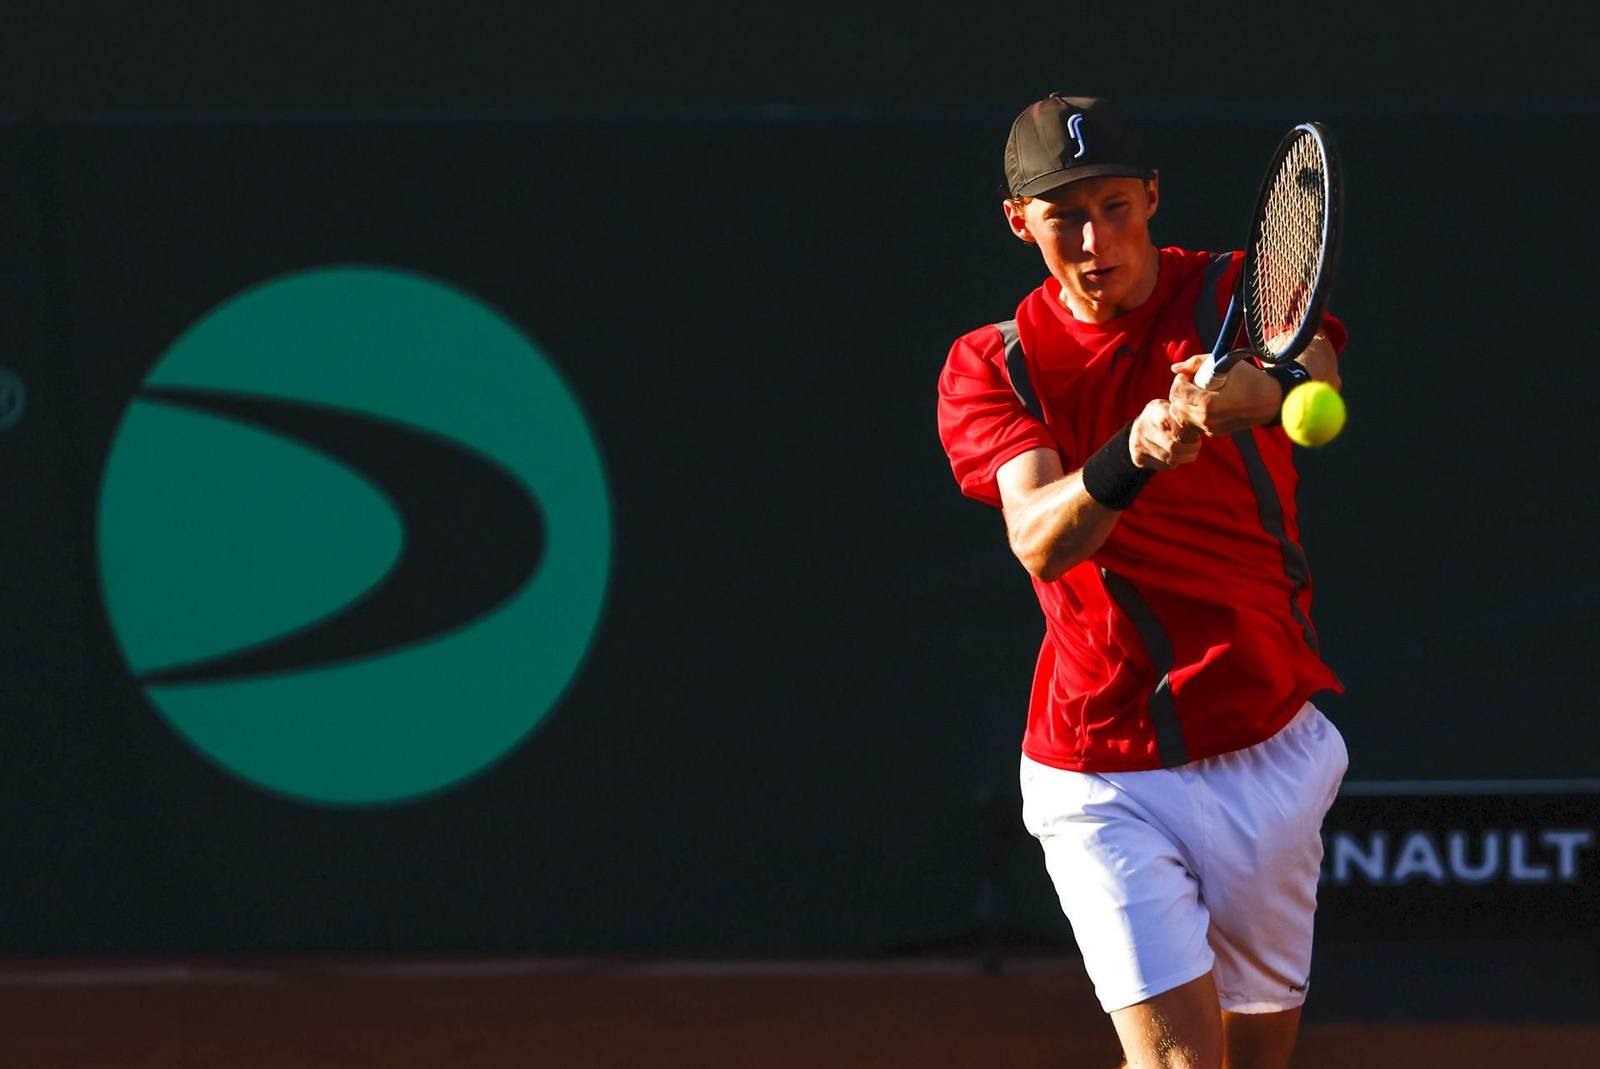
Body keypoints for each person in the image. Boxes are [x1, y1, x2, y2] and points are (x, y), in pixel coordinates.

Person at [935, 94, 1350, 1069]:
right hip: (1100, 761)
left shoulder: (1230, 296)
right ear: (1018, 221)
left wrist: (1234, 397)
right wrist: (1135, 449)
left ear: (1152, 198)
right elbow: (1040, 537)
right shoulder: (993, 365)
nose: (1093, 239)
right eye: (1064, 215)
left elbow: (1311, 369)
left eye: (1115, 206)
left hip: (1264, 734)